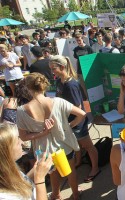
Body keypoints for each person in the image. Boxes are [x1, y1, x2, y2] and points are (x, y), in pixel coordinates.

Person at [17, 73, 86, 200]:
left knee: (52, 172)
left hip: (43, 151)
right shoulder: (58, 101)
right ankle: (76, 194)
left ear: (27, 88)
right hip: (64, 145)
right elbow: (82, 113)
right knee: (70, 171)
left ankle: (56, 194)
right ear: (44, 86)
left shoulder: (21, 111)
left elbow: (23, 137)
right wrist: (69, 125)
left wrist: (42, 133)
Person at [49, 55, 100, 183]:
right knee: (75, 145)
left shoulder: (71, 85)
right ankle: (78, 161)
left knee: (88, 146)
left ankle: (95, 168)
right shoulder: (59, 81)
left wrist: (71, 125)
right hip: (67, 122)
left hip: (76, 123)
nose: (52, 71)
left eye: (53, 68)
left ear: (62, 67)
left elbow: (79, 110)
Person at [0, 123, 53, 200]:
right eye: (17, 140)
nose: (22, 142)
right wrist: (40, 180)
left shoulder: (7, 169)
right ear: (6, 152)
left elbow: (22, 182)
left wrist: (38, 170)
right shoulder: (4, 196)